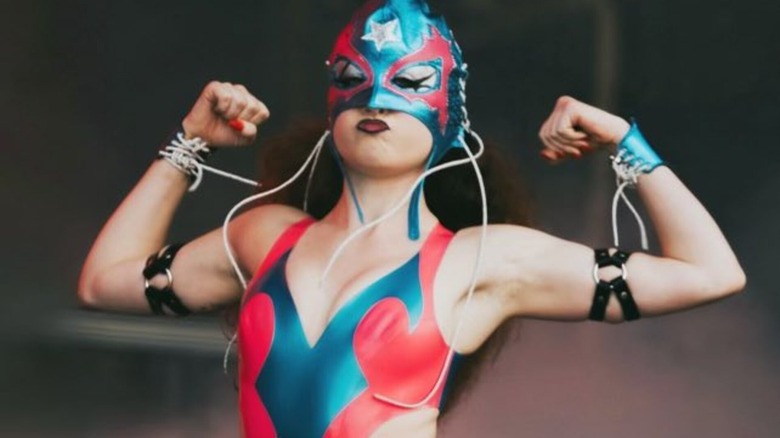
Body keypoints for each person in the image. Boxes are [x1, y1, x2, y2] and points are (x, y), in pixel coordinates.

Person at [78, 0, 745, 437]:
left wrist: (625, 141)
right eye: (352, 75)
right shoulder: (263, 237)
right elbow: (103, 280)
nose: (377, 98)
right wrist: (189, 142)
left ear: (448, 117)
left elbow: (708, 273)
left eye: (412, 83)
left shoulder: (482, 262)